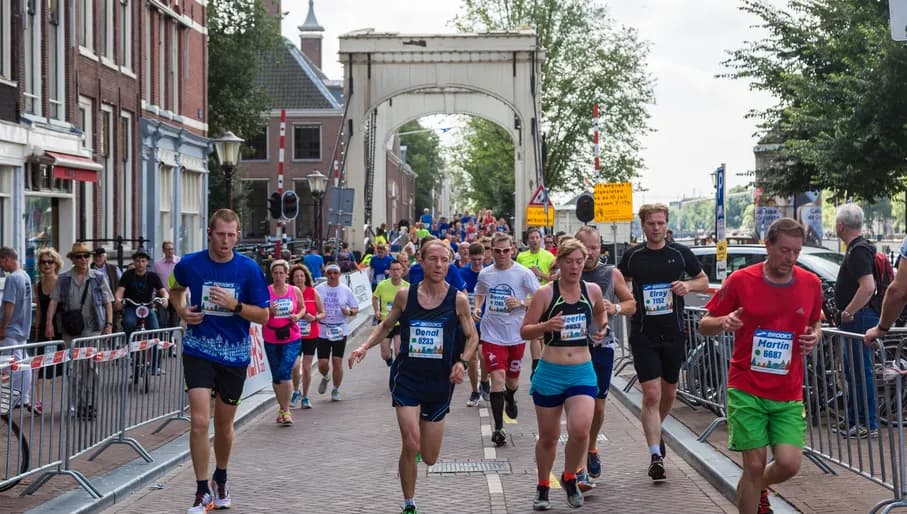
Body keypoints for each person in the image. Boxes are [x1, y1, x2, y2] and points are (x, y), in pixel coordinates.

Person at [699, 217, 823, 514]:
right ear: (768, 246)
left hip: (788, 391)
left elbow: (815, 321)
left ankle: (755, 486)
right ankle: (753, 488)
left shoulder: (811, 283)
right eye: (784, 250)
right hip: (746, 387)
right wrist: (724, 321)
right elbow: (704, 324)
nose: (790, 258)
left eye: (796, 251)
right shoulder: (741, 280)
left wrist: (815, 335)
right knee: (753, 466)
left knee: (789, 464)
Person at [348, 239, 478, 514]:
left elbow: (472, 336)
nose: (439, 265)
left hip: (439, 382)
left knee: (429, 457)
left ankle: (418, 446)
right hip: (407, 377)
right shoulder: (405, 296)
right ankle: (409, 503)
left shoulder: (458, 300)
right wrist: (363, 346)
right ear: (421, 260)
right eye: (433, 259)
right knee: (410, 442)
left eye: (444, 260)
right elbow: (386, 325)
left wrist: (463, 362)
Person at [168, 209, 270, 514]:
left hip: (234, 356)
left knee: (224, 425)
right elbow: (174, 289)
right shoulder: (190, 264)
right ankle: (202, 491)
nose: (225, 241)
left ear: (237, 236)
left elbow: (264, 316)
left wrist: (235, 305)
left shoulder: (249, 269)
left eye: (231, 235)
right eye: (220, 234)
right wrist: (182, 310)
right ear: (209, 233)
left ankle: (221, 477)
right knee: (200, 421)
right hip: (198, 350)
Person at [618, 203, 708, 481]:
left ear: (666, 224)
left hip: (674, 332)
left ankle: (657, 428)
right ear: (642, 225)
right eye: (651, 223)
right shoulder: (633, 256)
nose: (656, 228)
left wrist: (688, 286)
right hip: (643, 334)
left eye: (660, 223)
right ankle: (655, 455)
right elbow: (619, 281)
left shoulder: (679, 254)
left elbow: (703, 280)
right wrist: (625, 300)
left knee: (669, 393)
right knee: (652, 394)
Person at [521, 238, 608, 510]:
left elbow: (601, 314)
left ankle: (570, 477)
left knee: (580, 430)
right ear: (558, 262)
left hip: (581, 371)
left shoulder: (592, 290)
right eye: (568, 261)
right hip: (550, 372)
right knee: (548, 437)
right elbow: (525, 330)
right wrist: (546, 326)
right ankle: (543, 486)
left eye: (579, 261)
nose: (574, 267)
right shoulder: (545, 294)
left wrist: (602, 329)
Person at [575, 226, 636, 488]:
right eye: (585, 247)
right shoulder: (568, 272)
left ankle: (592, 447)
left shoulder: (611, 273)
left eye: (595, 247)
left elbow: (632, 303)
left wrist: (616, 307)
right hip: (573, 348)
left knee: (598, 406)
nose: (590, 253)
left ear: (601, 248)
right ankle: (579, 469)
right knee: (578, 407)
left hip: (602, 346)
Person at [474, 233, 540, 446]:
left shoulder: (523, 274)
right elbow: (479, 292)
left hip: (516, 334)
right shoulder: (485, 274)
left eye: (506, 250)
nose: (502, 254)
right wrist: (477, 307)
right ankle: (499, 428)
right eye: (498, 251)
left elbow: (540, 298)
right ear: (491, 251)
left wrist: (521, 303)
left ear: (513, 250)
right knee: (498, 378)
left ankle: (510, 397)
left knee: (512, 381)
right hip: (492, 334)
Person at [45, 242, 115, 421]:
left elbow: (108, 302)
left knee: (91, 368)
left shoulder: (98, 277)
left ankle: (91, 404)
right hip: (71, 331)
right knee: (75, 371)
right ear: (73, 260)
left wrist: (109, 324)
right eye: (79, 257)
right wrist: (49, 323)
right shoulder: (64, 278)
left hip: (93, 329)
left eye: (86, 256)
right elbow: (53, 301)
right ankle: (79, 405)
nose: (83, 259)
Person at [833, 204, 880, 439]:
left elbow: (868, 286)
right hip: (859, 317)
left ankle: (866, 423)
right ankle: (854, 420)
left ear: (840, 225)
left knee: (860, 372)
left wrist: (849, 311)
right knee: (853, 372)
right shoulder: (858, 249)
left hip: (859, 318)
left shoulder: (858, 251)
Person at [262, 260, 305, 425]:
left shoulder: (294, 290)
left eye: (281, 273)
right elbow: (259, 313)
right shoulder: (265, 292)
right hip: (271, 336)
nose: (278, 276)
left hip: (291, 336)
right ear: (272, 274)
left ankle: (286, 411)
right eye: (275, 273)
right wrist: (268, 311)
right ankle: (282, 408)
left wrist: (298, 316)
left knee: (284, 370)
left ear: (286, 275)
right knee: (276, 376)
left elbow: (302, 308)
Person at [115, 247, 169, 375]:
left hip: (147, 307)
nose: (140, 263)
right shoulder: (127, 275)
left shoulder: (152, 276)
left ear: (147, 262)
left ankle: (155, 366)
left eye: (143, 261)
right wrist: (118, 299)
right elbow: (120, 291)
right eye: (138, 261)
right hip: (131, 307)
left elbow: (163, 291)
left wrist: (165, 298)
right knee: (129, 323)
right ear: (134, 262)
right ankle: (130, 349)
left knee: (155, 331)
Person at [315, 263, 360, 401]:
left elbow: (356, 308)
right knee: (322, 363)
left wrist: (349, 312)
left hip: (339, 329)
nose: (332, 276)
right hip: (323, 329)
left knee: (337, 361)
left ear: (339, 274)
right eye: (329, 273)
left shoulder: (345, 290)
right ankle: (326, 376)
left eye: (335, 273)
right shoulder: (318, 289)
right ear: (325, 274)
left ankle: (335, 389)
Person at [517, 228, 557, 378]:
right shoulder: (521, 257)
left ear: (541, 240)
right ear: (527, 241)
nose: (534, 240)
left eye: (536, 237)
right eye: (531, 238)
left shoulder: (549, 256)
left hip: (546, 297)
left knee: (544, 334)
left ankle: (544, 362)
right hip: (529, 299)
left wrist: (539, 274)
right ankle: (536, 365)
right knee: (534, 333)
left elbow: (554, 278)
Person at [0, 247, 34, 410]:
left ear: (6, 259)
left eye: (1, 262)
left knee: (10, 366)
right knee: (23, 364)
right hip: (22, 329)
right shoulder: (25, 276)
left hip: (12, 330)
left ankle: (6, 401)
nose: (1, 266)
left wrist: (3, 327)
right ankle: (23, 397)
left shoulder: (13, 278)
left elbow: (9, 305)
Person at [289, 264, 325, 409]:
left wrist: (314, 318)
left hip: (311, 335)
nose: (299, 278)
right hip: (294, 335)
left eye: (301, 276)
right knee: (295, 366)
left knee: (306, 367)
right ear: (292, 278)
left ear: (306, 278)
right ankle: (296, 391)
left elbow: (323, 313)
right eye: (296, 276)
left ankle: (305, 396)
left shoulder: (312, 292)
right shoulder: (289, 292)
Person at [33, 247, 64, 414]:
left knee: (65, 366)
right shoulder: (37, 285)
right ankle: (38, 402)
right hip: (45, 330)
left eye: (50, 262)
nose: (46, 265)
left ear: (56, 264)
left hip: (61, 328)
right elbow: (39, 309)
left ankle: (70, 401)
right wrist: (37, 328)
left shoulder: (62, 281)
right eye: (43, 262)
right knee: (41, 363)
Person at [373, 260, 409, 366]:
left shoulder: (407, 287)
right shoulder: (382, 285)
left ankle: (397, 369)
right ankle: (389, 359)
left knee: (398, 352)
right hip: (385, 322)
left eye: (398, 269)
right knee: (385, 355)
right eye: (393, 269)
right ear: (389, 271)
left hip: (400, 323)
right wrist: (377, 311)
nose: (395, 272)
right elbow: (374, 298)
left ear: (402, 271)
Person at [153, 240, 181, 329]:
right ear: (163, 250)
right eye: (168, 249)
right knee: (162, 320)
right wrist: (153, 296)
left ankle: (170, 336)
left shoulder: (180, 262)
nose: (170, 251)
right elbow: (155, 281)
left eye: (172, 249)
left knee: (175, 321)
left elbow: (185, 278)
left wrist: (187, 294)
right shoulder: (158, 264)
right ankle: (163, 336)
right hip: (162, 295)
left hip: (176, 295)